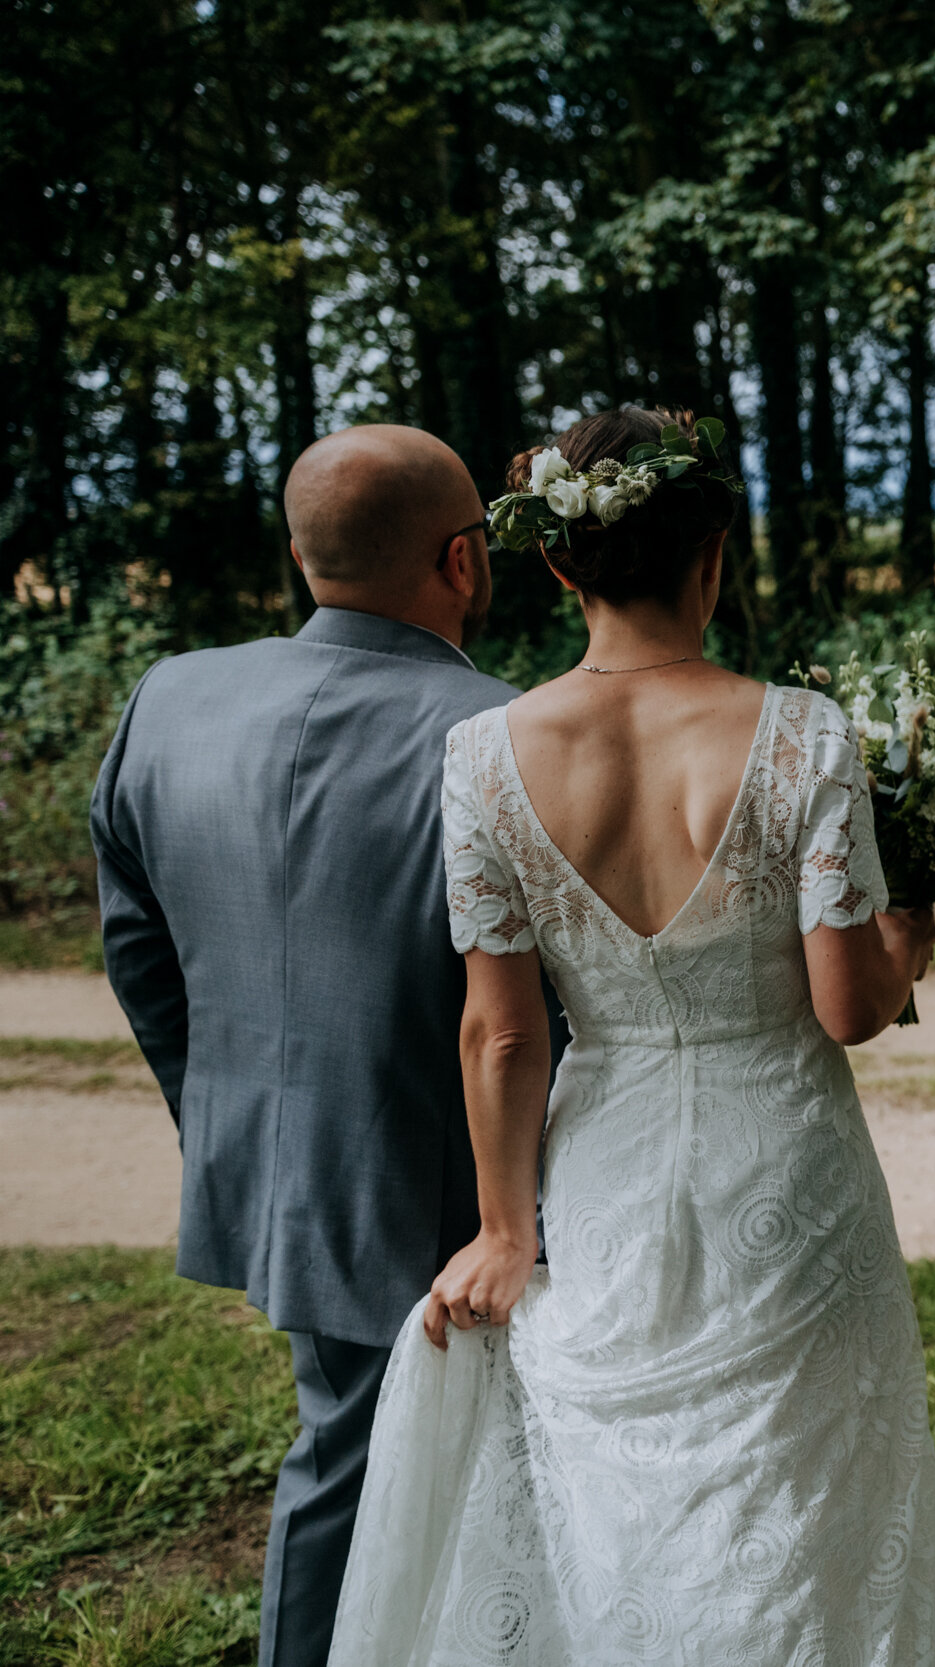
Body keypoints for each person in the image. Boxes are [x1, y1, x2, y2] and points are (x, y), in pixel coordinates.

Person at [325, 408, 935, 1664]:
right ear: (715, 555)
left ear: (557, 562)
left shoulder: (481, 755)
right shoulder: (804, 733)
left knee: (619, 1500)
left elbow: (503, 1031)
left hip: (607, 1165)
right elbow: (847, 1006)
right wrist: (915, 929)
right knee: (810, 1493)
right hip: (782, 1169)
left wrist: (504, 1226)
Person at [88, 425, 547, 1667]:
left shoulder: (167, 697)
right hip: (439, 1180)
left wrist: (229, 1122)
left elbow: (137, 946)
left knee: (414, 1447)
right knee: (351, 1457)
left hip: (270, 1152)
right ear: (465, 560)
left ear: (299, 555)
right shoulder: (504, 736)